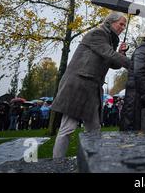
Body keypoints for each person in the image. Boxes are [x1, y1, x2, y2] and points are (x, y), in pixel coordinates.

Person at [52, 12, 131, 159]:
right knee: (68, 128)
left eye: (124, 25)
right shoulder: (97, 33)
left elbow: (113, 63)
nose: (123, 27)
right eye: (121, 23)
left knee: (94, 129)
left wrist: (120, 52)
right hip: (78, 85)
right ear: (110, 22)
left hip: (92, 88)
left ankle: (94, 162)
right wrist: (134, 65)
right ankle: (57, 164)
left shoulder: (109, 39)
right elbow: (109, 55)